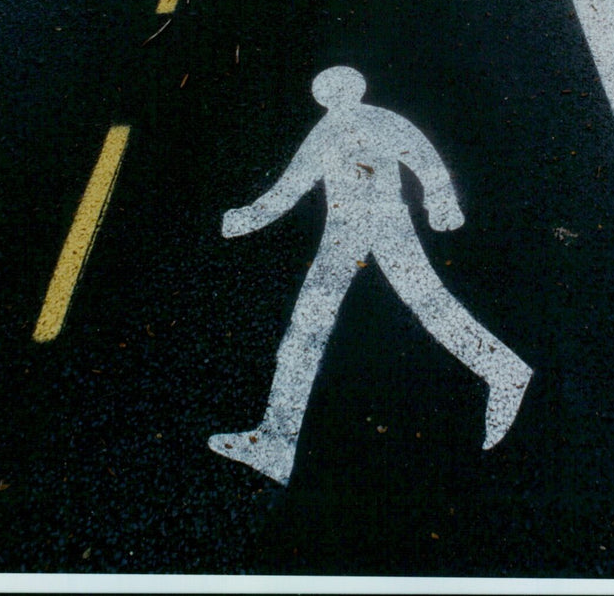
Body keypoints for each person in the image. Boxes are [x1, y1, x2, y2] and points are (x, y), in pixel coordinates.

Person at [209, 66, 533, 485]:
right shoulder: (360, 124)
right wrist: (248, 217)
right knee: (325, 319)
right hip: (347, 231)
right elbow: (295, 184)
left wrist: (442, 202)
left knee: (401, 309)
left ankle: (505, 372)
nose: (335, 96)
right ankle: (276, 437)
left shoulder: (348, 127)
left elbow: (421, 161)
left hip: (375, 226)